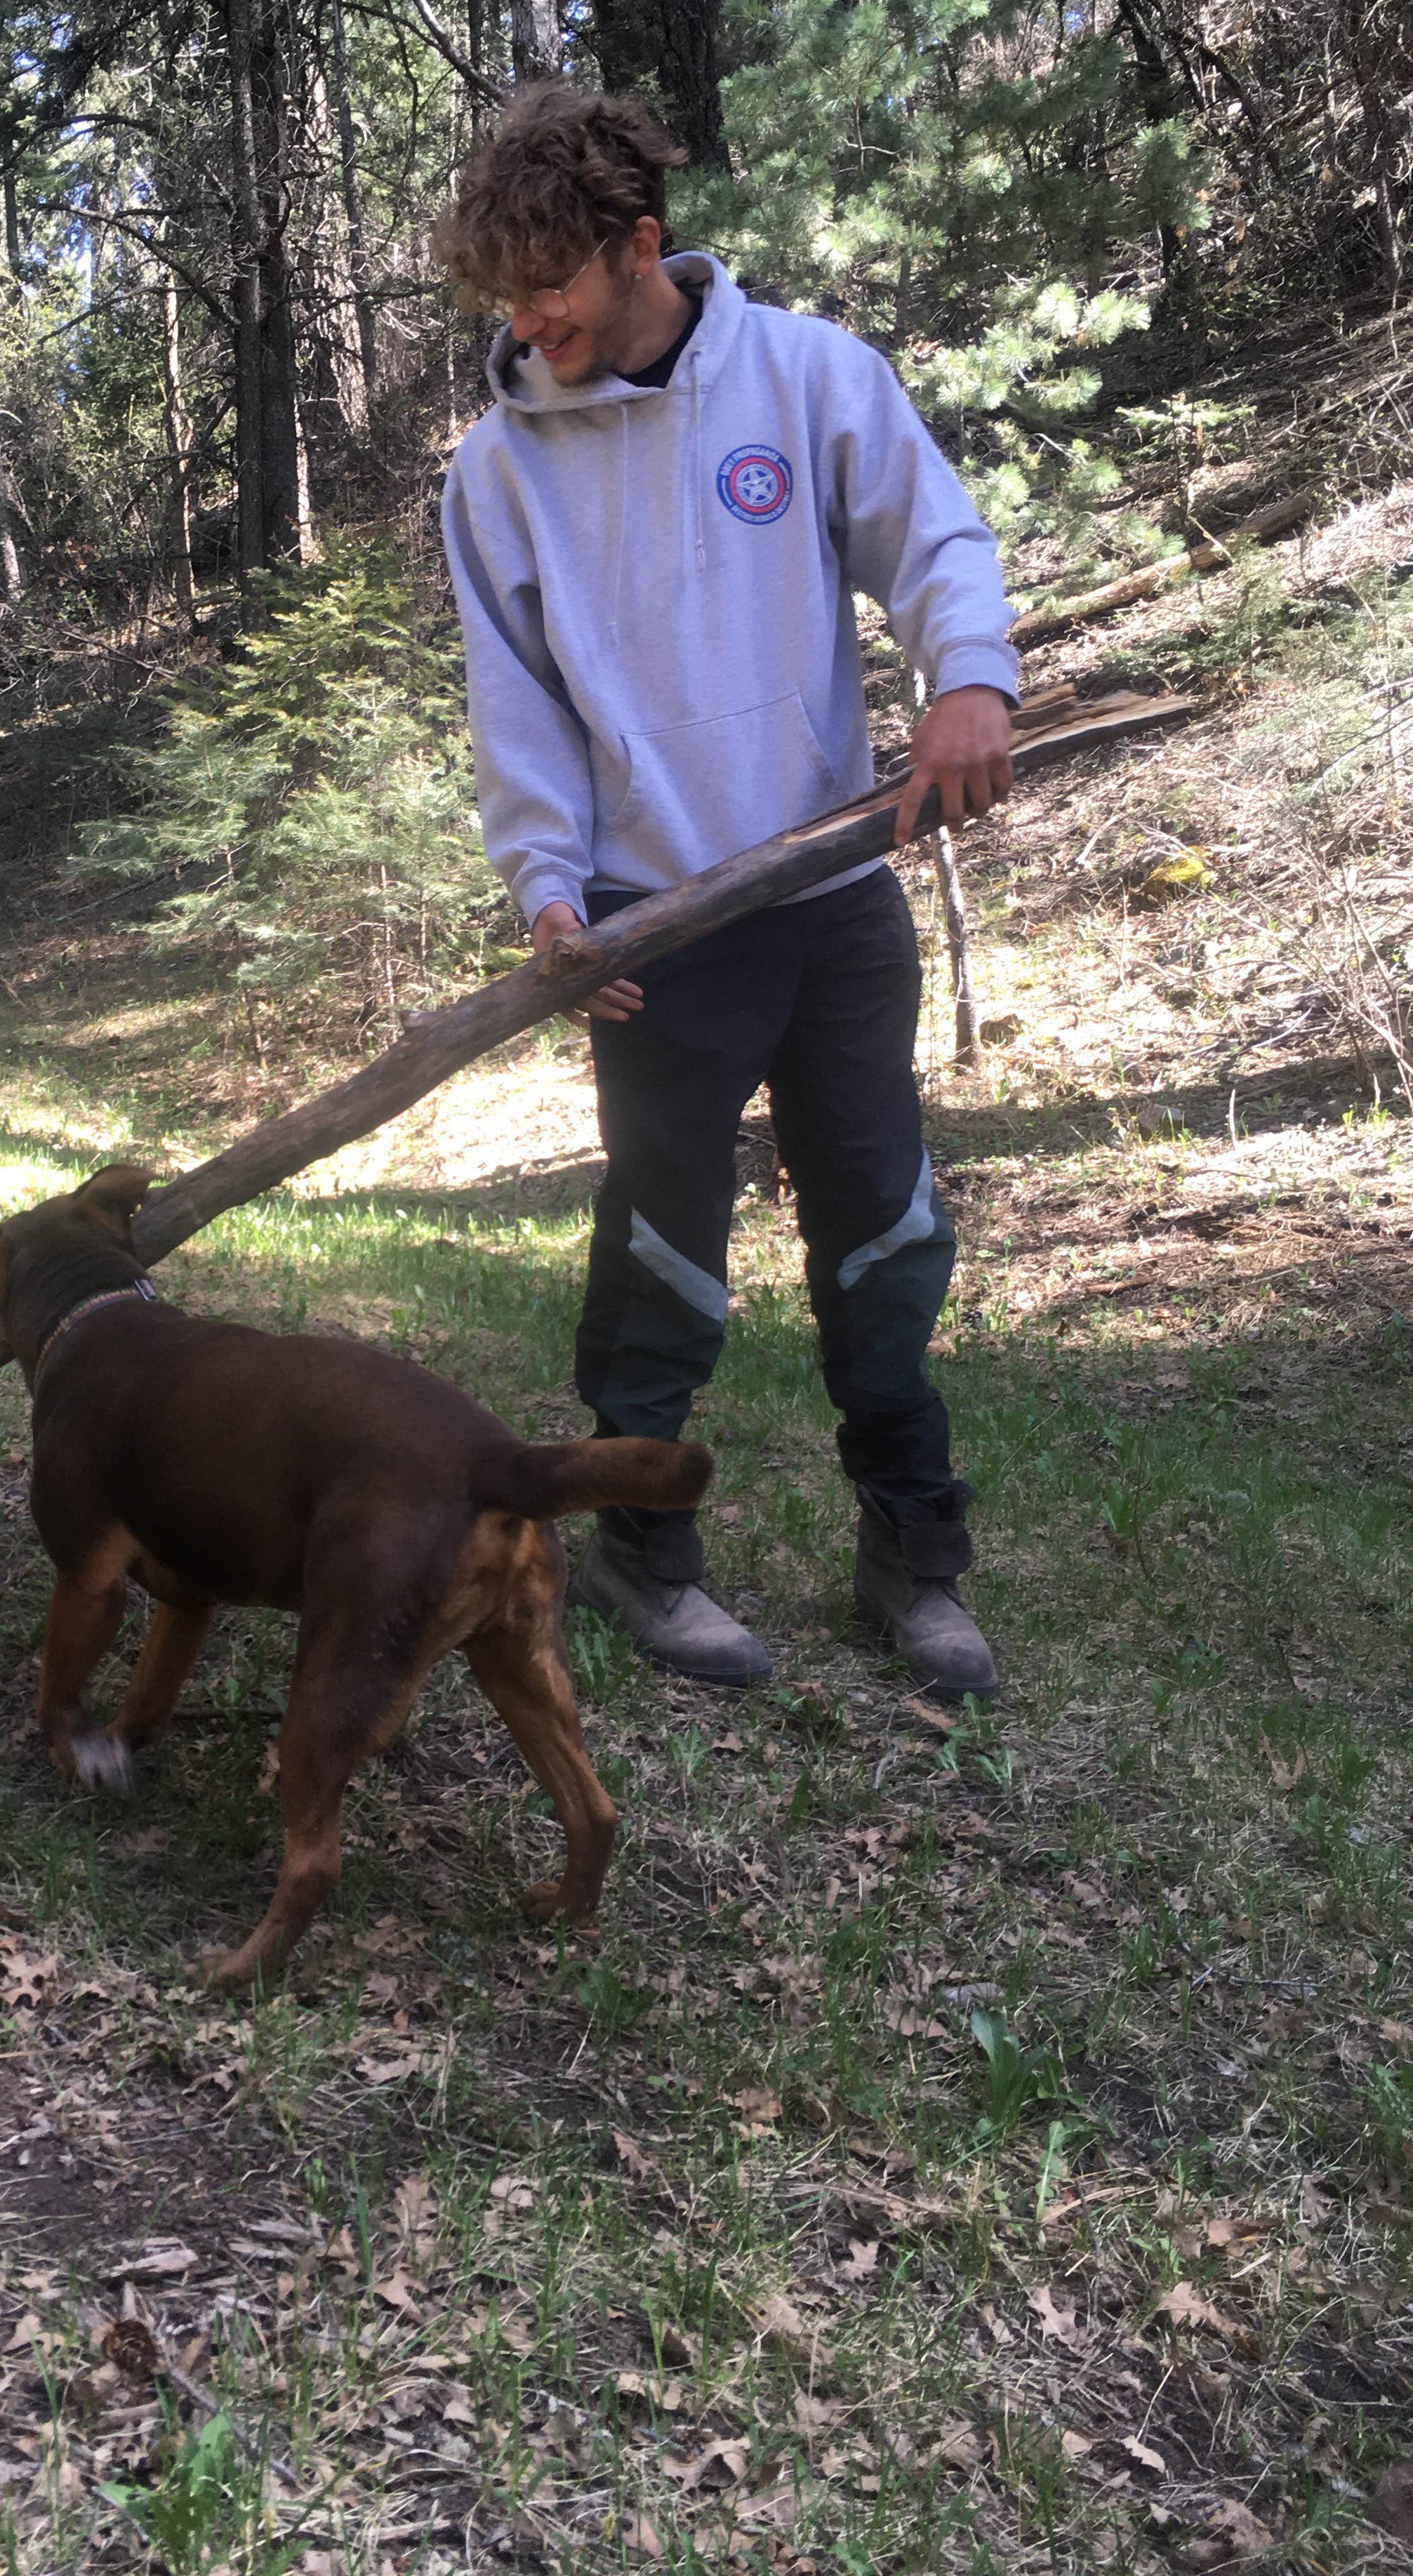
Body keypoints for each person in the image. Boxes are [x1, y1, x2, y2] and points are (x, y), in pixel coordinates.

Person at [434, 84, 1016, 1699]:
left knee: (880, 1229)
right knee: (664, 1242)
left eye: (554, 292)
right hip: (651, 930)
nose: (532, 326)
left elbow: (936, 539)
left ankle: (917, 1556)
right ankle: (642, 1551)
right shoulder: (497, 475)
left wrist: (968, 679)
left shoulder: (808, 377)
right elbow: (519, 706)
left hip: (829, 894)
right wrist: (552, 892)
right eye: (507, 303)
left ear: (640, 246)